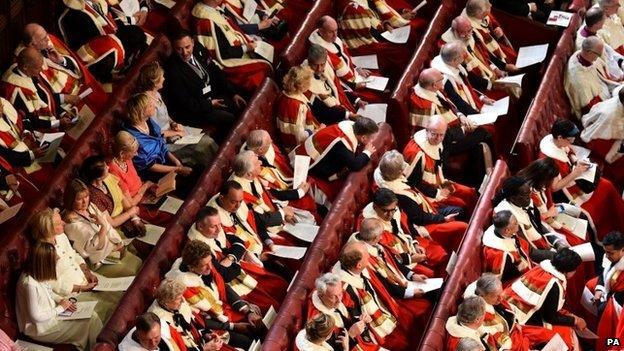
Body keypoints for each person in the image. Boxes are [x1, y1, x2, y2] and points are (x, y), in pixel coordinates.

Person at [164, 240, 262, 349]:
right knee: (247, 341)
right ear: (192, 267)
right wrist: (233, 326)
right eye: (204, 265)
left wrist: (247, 311)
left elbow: (223, 287)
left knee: (259, 325)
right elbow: (198, 318)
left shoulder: (204, 266)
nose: (210, 267)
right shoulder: (183, 286)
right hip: (211, 325)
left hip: (224, 312)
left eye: (210, 262)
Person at [29, 207, 121, 322]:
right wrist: (81, 288)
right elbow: (53, 284)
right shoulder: (44, 253)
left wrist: (87, 272)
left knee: (118, 297)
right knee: (108, 309)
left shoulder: (61, 237)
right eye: (58, 223)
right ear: (49, 229)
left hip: (85, 278)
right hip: (72, 293)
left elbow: (74, 254)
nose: (63, 223)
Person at [539, 119, 624, 241]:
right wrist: (576, 173)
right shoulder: (548, 159)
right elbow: (554, 187)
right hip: (566, 191)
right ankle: (606, 232)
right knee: (595, 205)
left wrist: (576, 161)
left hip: (575, 176)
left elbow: (569, 153)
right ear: (559, 137)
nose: (572, 142)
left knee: (607, 185)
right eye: (570, 140)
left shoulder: (558, 142)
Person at [188, 206, 288, 309]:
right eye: (214, 226)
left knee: (281, 284)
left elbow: (239, 241)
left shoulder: (214, 232)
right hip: (232, 287)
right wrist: (237, 258)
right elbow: (225, 275)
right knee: (272, 304)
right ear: (200, 227)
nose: (219, 230)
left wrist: (230, 257)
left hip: (240, 270)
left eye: (219, 224)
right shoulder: (200, 250)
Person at [409, 68, 493, 186]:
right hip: (443, 145)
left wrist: (461, 115)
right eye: (441, 80)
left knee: (478, 148)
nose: (443, 82)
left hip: (453, 130)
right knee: (483, 132)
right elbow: (437, 135)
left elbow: (448, 105)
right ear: (434, 85)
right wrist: (463, 130)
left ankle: (483, 184)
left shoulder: (432, 90)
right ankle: (489, 176)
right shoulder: (424, 105)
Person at [15, 242, 103, 350]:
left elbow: (49, 292)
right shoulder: (29, 285)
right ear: (46, 264)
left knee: (91, 315)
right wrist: (60, 308)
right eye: (55, 260)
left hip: (52, 316)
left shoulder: (38, 274)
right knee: (91, 320)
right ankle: (102, 347)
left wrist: (62, 300)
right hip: (42, 329)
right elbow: (36, 317)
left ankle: (99, 346)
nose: (59, 259)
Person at [374, 150, 467, 251]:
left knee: (460, 206)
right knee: (460, 218)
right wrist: (443, 219)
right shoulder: (398, 195)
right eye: (402, 167)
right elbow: (419, 218)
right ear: (399, 173)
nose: (405, 166)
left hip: (426, 207)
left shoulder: (382, 174)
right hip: (423, 222)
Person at [331, 241, 414, 351]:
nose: (369, 256)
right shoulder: (344, 290)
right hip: (373, 331)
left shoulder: (359, 268)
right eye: (366, 255)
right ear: (358, 265)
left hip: (386, 309)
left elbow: (383, 285)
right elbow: (353, 319)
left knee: (413, 318)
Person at [162, 30, 247, 135]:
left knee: (242, 99)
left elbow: (215, 70)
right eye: (179, 49)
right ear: (173, 48)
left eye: (187, 47)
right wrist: (210, 104)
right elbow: (186, 103)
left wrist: (232, 93)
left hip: (214, 94)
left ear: (193, 43)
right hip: (198, 109)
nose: (184, 53)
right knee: (230, 118)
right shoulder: (172, 70)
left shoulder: (198, 48)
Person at [348, 218, 435, 318]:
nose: (381, 238)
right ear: (374, 238)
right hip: (395, 294)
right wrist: (410, 292)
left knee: (437, 287)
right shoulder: (364, 259)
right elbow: (383, 285)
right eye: (380, 235)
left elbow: (394, 263)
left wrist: (412, 275)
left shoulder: (372, 243)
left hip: (402, 282)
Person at [135, 61, 219, 164]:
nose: (164, 78)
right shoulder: (146, 104)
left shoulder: (156, 94)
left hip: (174, 132)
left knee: (208, 140)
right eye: (162, 77)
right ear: (155, 81)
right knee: (205, 144)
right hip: (167, 142)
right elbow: (154, 133)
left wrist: (173, 123)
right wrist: (176, 133)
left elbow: (166, 116)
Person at [503, 249, 584, 350]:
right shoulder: (554, 284)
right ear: (566, 271)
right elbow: (549, 317)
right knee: (567, 337)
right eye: (575, 269)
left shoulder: (541, 268)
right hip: (520, 319)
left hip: (509, 306)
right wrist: (574, 321)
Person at [16, 23, 107, 112]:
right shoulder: (26, 63)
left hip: (80, 85)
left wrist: (61, 61)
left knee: (104, 103)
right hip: (64, 104)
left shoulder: (48, 41)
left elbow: (75, 62)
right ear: (32, 45)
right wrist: (65, 98)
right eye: (43, 39)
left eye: (46, 35)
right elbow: (40, 95)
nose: (48, 39)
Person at [123, 92, 200, 196]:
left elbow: (161, 145)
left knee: (197, 170)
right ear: (142, 111)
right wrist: (177, 169)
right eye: (150, 105)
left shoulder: (148, 121)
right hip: (153, 171)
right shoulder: (133, 136)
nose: (154, 106)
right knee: (188, 185)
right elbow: (149, 166)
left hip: (165, 159)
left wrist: (177, 162)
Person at [62, 178, 142, 277]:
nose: (84, 201)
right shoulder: (70, 223)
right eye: (79, 199)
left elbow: (109, 227)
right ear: (71, 200)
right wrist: (103, 227)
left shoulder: (91, 207)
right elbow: (93, 248)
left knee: (139, 263)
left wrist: (118, 243)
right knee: (133, 273)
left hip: (113, 249)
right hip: (100, 260)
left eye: (86, 196)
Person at [358, 188, 448, 275]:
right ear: (375, 207)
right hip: (398, 260)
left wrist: (415, 244)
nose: (390, 215)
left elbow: (405, 226)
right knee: (428, 273)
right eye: (385, 211)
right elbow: (382, 253)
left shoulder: (394, 209)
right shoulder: (369, 225)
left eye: (393, 210)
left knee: (440, 254)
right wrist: (409, 259)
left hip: (407, 243)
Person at [290, 117, 378, 205]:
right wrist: (367, 152)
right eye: (371, 138)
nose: (372, 141)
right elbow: (355, 165)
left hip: (303, 154)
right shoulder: (343, 143)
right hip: (306, 166)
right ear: (363, 138)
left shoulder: (346, 126)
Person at [191, 0, 273, 93]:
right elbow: (221, 53)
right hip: (228, 61)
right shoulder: (205, 21)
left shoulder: (214, 10)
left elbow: (235, 28)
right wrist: (246, 47)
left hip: (239, 47)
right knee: (260, 74)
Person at [403, 116, 479, 213]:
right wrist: (437, 193)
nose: (438, 139)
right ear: (427, 130)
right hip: (427, 194)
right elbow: (413, 184)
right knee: (461, 204)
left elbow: (450, 136)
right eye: (434, 134)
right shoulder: (415, 153)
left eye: (441, 135)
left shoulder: (440, 137)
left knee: (470, 193)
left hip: (440, 182)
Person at [337, 0, 427, 79]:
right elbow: (368, 34)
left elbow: (376, 16)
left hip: (377, 31)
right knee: (399, 52)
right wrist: (387, 27)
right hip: (361, 44)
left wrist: (394, 19)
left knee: (409, 34)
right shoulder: (353, 9)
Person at [517, 158, 590, 247]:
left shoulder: (538, 183)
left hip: (551, 214)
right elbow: (530, 217)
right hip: (542, 224)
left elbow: (549, 204)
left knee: (579, 216)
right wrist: (548, 214)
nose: (552, 182)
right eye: (552, 179)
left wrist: (554, 211)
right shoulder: (526, 193)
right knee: (576, 241)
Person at [308, 16, 384, 102]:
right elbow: (333, 77)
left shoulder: (331, 38)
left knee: (379, 79)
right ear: (321, 32)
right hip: (344, 86)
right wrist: (354, 85)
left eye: (336, 30)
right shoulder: (322, 53)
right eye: (331, 32)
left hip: (353, 76)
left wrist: (356, 68)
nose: (335, 35)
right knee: (375, 97)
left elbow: (345, 57)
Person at [469, 274, 554, 350]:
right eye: (496, 296)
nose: (500, 298)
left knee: (548, 336)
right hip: (508, 340)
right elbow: (495, 341)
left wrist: (516, 324)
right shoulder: (479, 315)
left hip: (516, 329)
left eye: (500, 294)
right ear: (482, 296)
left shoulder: (489, 297)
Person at [243, 129, 319, 213]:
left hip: (291, 177)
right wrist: (299, 192)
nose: (271, 141)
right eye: (269, 142)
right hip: (282, 196)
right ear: (260, 150)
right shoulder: (254, 169)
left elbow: (284, 161)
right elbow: (271, 193)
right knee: (307, 203)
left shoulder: (265, 148)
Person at [147, 278, 235, 351]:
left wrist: (206, 335)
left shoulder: (173, 305)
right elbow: (176, 348)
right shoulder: (160, 323)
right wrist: (204, 348)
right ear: (166, 302)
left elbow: (192, 324)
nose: (183, 300)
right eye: (178, 298)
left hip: (200, 342)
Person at [230, 150, 318, 222]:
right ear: (249, 174)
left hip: (275, 208)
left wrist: (299, 192)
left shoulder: (250, 176)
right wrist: (282, 214)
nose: (261, 162)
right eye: (257, 163)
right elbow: (258, 219)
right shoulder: (240, 193)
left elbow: (271, 193)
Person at [2, 48, 78, 131]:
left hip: (55, 120)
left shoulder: (28, 72)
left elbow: (46, 97)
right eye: (38, 68)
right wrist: (59, 123)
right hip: (40, 131)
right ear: (25, 67)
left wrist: (62, 113)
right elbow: (32, 121)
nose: (41, 69)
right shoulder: (16, 90)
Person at [306, 273, 382, 350]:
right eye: (334, 297)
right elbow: (331, 348)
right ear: (321, 295)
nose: (339, 300)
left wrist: (361, 319)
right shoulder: (317, 319)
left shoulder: (340, 294)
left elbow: (353, 312)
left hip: (363, 343)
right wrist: (350, 335)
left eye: (340, 294)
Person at [492, 176, 566, 250]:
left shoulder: (525, 201)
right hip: (533, 251)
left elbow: (537, 224)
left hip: (544, 243)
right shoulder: (509, 216)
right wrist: (554, 254)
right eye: (526, 195)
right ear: (513, 198)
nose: (530, 197)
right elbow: (527, 249)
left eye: (529, 193)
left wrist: (557, 242)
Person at [79, 155, 145, 238]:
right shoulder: (93, 196)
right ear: (98, 177)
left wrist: (135, 218)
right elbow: (111, 222)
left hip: (127, 216)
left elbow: (122, 198)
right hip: (115, 228)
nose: (108, 167)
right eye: (105, 167)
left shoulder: (108, 178)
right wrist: (130, 213)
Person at [301, 45, 362, 122]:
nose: (319, 69)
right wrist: (348, 115)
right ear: (309, 61)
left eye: (322, 64)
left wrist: (356, 100)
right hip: (328, 119)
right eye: (315, 65)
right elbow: (321, 111)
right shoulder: (304, 81)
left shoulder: (327, 67)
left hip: (341, 111)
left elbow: (338, 90)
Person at [430, 42, 494, 117]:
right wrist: (476, 115)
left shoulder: (455, 64)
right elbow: (456, 101)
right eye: (463, 55)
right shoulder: (443, 79)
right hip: (464, 113)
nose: (465, 57)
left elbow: (468, 85)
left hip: (472, 105)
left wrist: (482, 98)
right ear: (454, 60)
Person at [582, 231, 624, 344]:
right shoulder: (609, 255)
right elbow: (603, 272)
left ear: (622, 250)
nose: (607, 256)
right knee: (590, 285)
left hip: (619, 301)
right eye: (605, 252)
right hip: (610, 288)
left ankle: (608, 342)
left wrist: (604, 302)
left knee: (603, 311)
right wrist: (599, 289)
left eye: (611, 253)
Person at [565, 36, 620, 117]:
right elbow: (591, 109)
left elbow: (605, 77)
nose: (599, 58)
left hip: (606, 92)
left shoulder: (583, 55)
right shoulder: (580, 80)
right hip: (600, 108)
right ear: (590, 52)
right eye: (598, 55)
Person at [580, 87, 624, 188]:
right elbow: (618, 132)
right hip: (599, 141)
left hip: (607, 135)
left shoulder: (620, 100)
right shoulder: (613, 117)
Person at [482, 210, 538, 281]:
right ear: (507, 231)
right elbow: (507, 276)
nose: (518, 223)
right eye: (515, 223)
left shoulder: (503, 231)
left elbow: (524, 248)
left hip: (526, 256)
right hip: (513, 279)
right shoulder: (499, 254)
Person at [275, 66, 322, 149]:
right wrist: (317, 131)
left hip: (287, 141)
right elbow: (300, 137)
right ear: (302, 86)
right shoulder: (298, 106)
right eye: (308, 82)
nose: (310, 84)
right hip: (298, 147)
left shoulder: (283, 94)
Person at [576, 7, 624, 82]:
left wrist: (621, 61)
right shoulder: (587, 45)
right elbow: (600, 66)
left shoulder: (591, 29)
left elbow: (608, 50)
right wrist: (619, 75)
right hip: (609, 74)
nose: (604, 22)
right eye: (603, 21)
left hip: (614, 63)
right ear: (597, 24)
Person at [463, 0, 518, 65]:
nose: (490, 5)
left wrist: (497, 30)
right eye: (487, 6)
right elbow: (483, 53)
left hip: (498, 43)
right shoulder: (471, 30)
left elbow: (494, 23)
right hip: (492, 57)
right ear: (479, 13)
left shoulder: (482, 11)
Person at [108, 131, 154, 206]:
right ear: (122, 154)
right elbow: (130, 203)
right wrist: (146, 186)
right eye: (134, 152)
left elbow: (136, 182)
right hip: (136, 201)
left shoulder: (127, 159)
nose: (137, 154)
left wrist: (148, 186)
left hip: (143, 191)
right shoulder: (113, 171)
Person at [490, 0, 557, 23]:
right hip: (516, 16)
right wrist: (529, 7)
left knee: (549, 9)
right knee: (543, 16)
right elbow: (507, 5)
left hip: (531, 6)